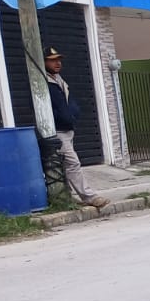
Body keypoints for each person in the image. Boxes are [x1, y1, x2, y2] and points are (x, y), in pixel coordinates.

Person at [43, 48, 109, 208]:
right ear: (43, 62)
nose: (58, 63)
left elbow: (68, 103)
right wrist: (61, 118)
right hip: (56, 131)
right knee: (72, 163)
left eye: (59, 59)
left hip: (67, 129)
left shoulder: (58, 80)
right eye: (52, 60)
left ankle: (65, 197)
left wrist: (73, 114)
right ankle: (89, 196)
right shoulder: (43, 82)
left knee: (63, 165)